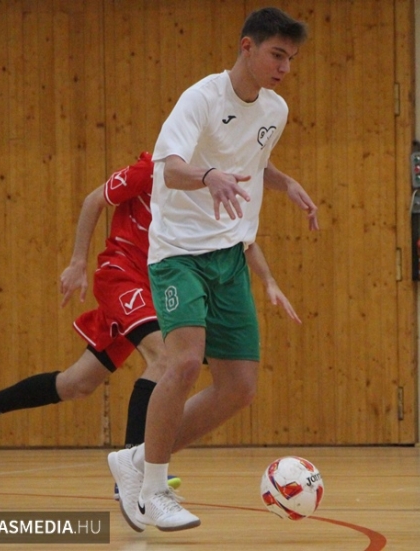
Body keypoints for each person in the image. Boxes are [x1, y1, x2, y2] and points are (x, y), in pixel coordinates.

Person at [107, 7, 318, 532]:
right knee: (183, 363)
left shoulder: (275, 110)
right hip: (178, 252)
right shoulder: (200, 98)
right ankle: (154, 489)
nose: (284, 67)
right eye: (277, 55)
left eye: (291, 59)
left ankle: (135, 460)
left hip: (229, 256)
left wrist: (286, 184)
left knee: (239, 388)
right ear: (247, 47)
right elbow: (169, 169)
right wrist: (209, 177)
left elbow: (253, 163)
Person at [0, 152, 180, 496]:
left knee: (77, 384)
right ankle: (134, 473)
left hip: (153, 287)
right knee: (165, 358)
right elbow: (93, 201)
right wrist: (77, 263)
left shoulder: (203, 184)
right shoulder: (151, 170)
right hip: (122, 276)